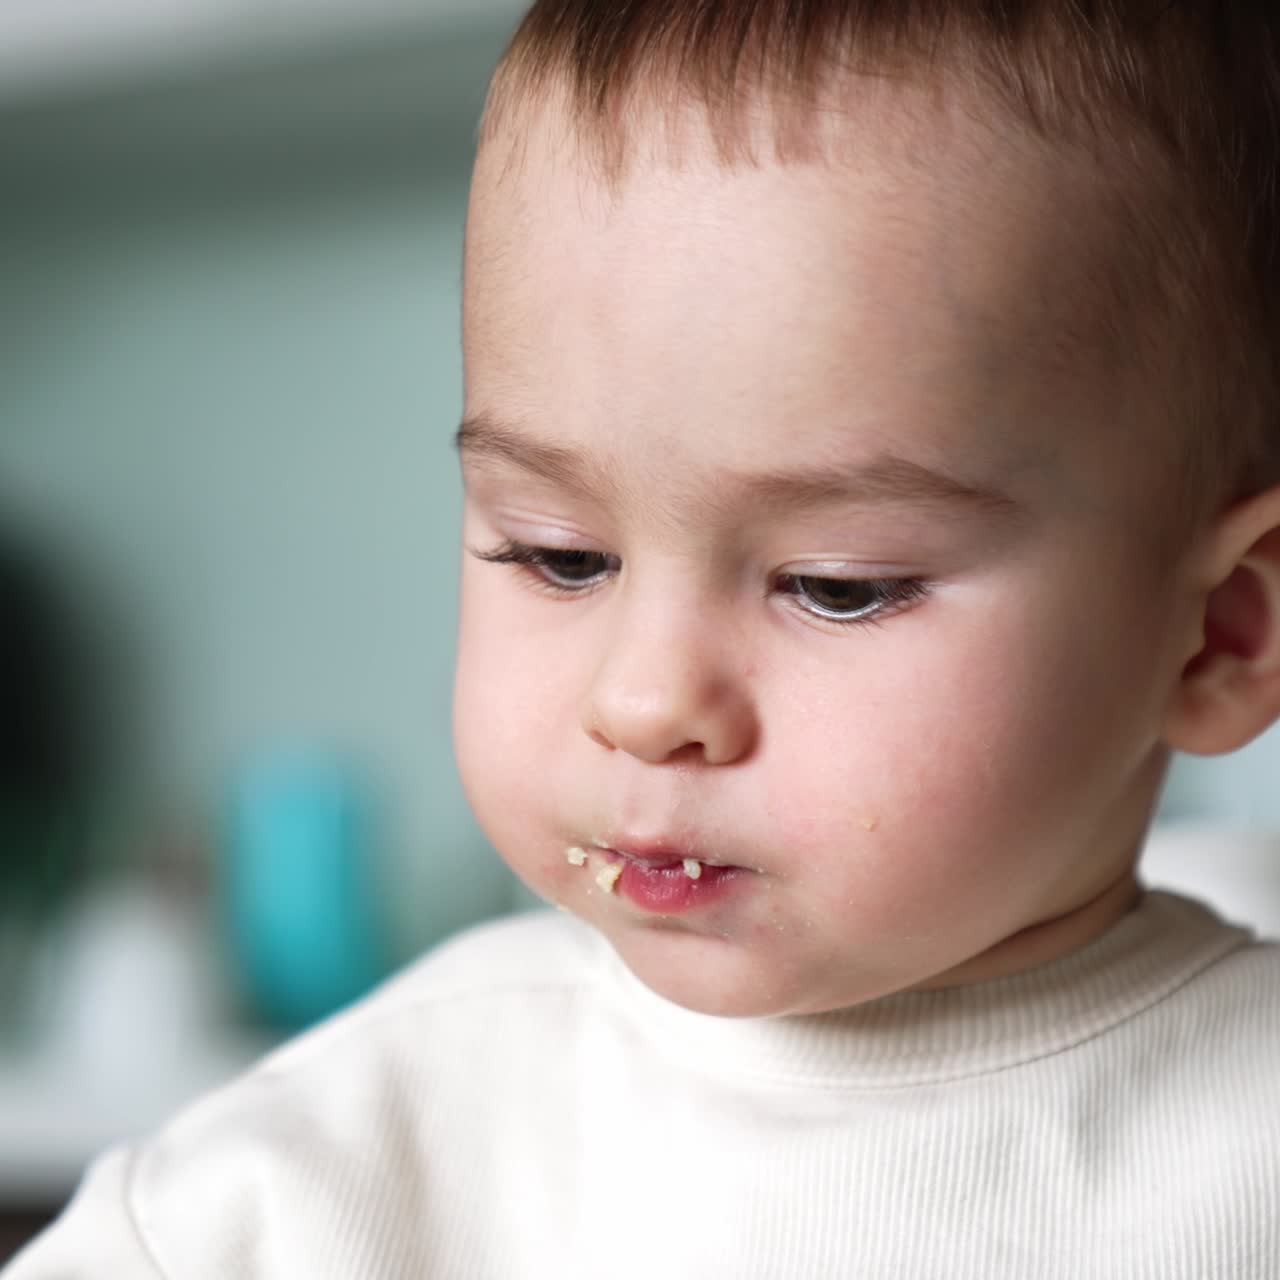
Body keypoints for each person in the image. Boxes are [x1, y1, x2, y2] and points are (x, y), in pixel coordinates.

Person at [11, 2, 1280, 1275]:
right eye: (560, 556)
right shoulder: (309, 1188)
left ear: (1222, 632)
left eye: (835, 585)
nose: (641, 698)